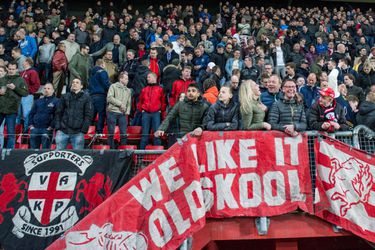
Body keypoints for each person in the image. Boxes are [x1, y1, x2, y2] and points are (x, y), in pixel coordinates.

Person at [55, 78, 93, 150]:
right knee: (58, 156)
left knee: (78, 157)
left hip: (78, 133)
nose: (74, 83)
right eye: (73, 82)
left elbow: (88, 115)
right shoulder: (64, 96)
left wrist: (83, 131)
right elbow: (58, 112)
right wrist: (58, 128)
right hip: (63, 131)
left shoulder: (87, 98)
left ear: (81, 86)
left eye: (77, 82)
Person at [0, 62, 28, 148]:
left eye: (13, 69)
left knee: (10, 133)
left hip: (12, 110)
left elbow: (25, 93)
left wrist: (15, 88)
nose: (11, 71)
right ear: (7, 69)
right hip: (0, 109)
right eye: (10, 69)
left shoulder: (20, 80)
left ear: (16, 69)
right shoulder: (2, 79)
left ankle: (9, 153)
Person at [137, 72, 166, 149]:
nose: (147, 79)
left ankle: (157, 155)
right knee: (144, 135)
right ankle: (141, 156)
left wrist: (161, 111)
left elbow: (163, 101)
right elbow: (140, 101)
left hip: (156, 113)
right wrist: (142, 110)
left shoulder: (160, 89)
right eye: (147, 77)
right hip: (145, 113)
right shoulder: (144, 90)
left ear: (154, 78)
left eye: (149, 77)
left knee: (157, 134)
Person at [29, 83, 59, 149]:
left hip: (47, 129)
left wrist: (51, 126)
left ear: (53, 90)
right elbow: (31, 113)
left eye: (48, 88)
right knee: (33, 151)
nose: (46, 90)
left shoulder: (56, 101)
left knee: (45, 151)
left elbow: (57, 115)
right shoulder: (38, 101)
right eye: (45, 88)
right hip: (35, 128)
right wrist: (31, 125)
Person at [106, 72, 132, 149]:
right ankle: (111, 150)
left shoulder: (128, 90)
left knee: (123, 133)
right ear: (121, 79)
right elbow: (109, 98)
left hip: (122, 114)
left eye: (127, 79)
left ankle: (122, 149)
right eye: (126, 79)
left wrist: (127, 112)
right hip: (112, 112)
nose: (127, 80)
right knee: (111, 132)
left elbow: (129, 102)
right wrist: (121, 104)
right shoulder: (113, 86)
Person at [88, 59, 110, 134]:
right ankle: (99, 132)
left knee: (91, 115)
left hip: (91, 96)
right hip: (100, 96)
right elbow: (106, 83)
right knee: (101, 114)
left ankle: (89, 131)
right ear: (102, 64)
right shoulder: (103, 72)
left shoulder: (91, 73)